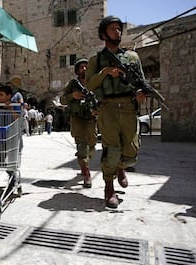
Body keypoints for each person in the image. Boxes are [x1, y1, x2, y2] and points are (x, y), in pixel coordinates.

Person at [85, 16, 146, 208]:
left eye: (119, 29)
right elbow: (89, 85)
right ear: (103, 34)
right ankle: (109, 189)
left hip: (128, 108)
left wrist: (140, 93)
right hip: (107, 108)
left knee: (131, 153)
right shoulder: (96, 60)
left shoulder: (132, 57)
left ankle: (121, 168)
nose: (117, 32)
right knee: (112, 150)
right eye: (112, 29)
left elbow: (141, 83)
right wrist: (105, 72)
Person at [61, 58, 98, 188]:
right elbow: (62, 100)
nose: (84, 69)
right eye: (81, 67)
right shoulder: (73, 84)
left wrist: (96, 110)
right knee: (82, 146)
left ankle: (85, 163)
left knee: (92, 145)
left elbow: (102, 99)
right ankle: (86, 173)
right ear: (77, 70)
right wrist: (73, 96)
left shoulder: (95, 83)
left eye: (86, 67)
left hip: (91, 119)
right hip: (77, 119)